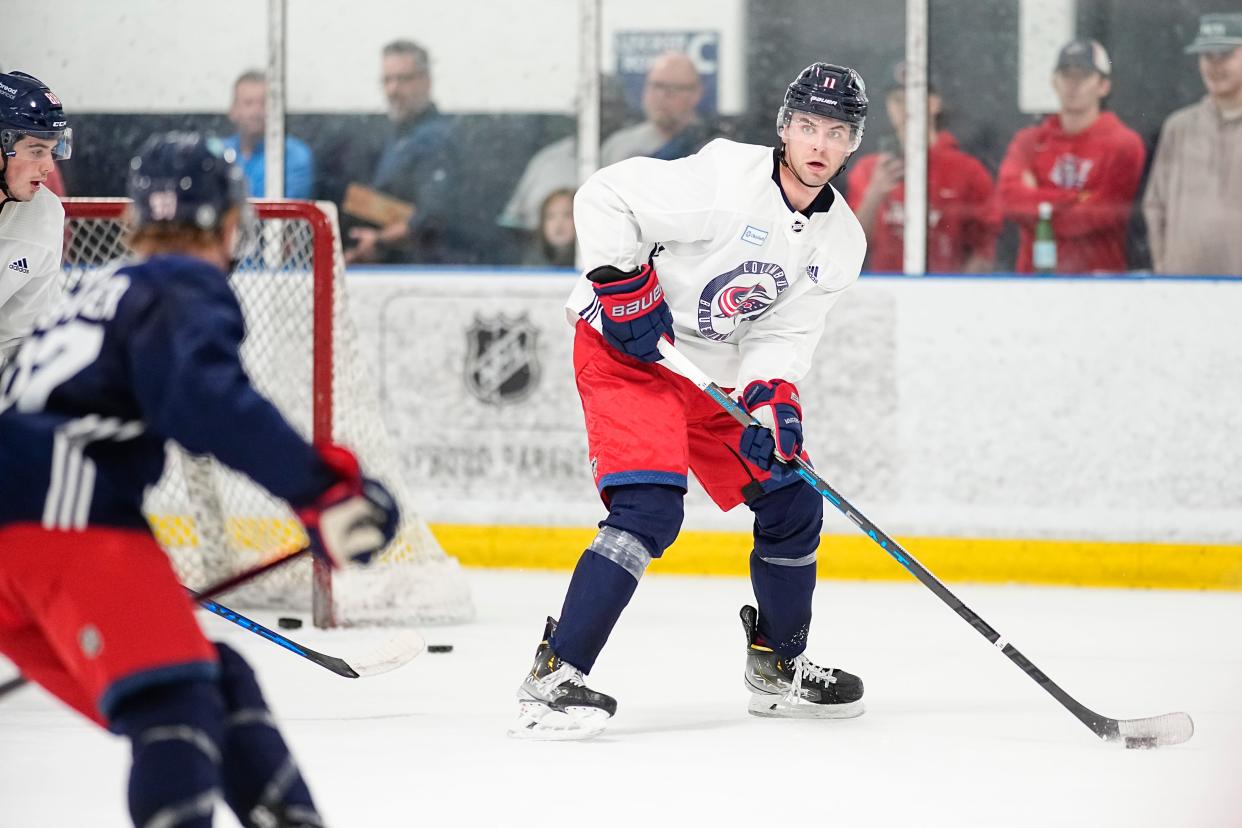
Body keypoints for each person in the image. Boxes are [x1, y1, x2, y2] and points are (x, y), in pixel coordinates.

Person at [0, 132, 400, 828]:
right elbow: (208, 400)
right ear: (227, 220)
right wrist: (323, 491)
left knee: (212, 683)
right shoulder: (182, 282)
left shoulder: (98, 291)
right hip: (58, 513)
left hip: (23, 533)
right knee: (174, 707)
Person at [511, 63, 870, 740]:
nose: (819, 143)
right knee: (649, 507)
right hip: (629, 356)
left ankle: (777, 667)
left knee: (793, 498)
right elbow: (603, 195)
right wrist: (622, 286)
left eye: (837, 131)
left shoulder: (840, 242)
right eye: (807, 126)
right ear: (784, 128)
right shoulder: (725, 183)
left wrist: (772, 407)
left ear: (853, 142)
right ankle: (556, 675)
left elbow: (784, 332)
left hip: (710, 374)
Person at [995, 39, 1145, 274]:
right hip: (1034, 282)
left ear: (1104, 85)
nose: (1073, 85)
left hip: (1099, 283)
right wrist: (1075, 198)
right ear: (1054, 82)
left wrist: (1037, 204)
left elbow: (1102, 215)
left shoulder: (1124, 143)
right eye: (1066, 75)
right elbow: (1009, 201)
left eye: (1083, 76)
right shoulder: (1029, 141)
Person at [847, 62, 997, 273]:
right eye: (897, 100)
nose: (905, 107)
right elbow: (848, 247)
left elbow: (984, 249)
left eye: (914, 98)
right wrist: (874, 194)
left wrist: (962, 294)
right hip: (885, 294)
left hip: (947, 294)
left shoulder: (967, 170)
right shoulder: (868, 170)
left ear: (935, 103)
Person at [345, 39, 462, 264]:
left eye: (403, 79)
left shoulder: (435, 139)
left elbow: (431, 218)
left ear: (426, 82)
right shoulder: (399, 136)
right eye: (387, 80)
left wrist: (378, 242)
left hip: (424, 270)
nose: (393, 90)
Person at [1143, 13, 1242, 276]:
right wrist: (1165, 268)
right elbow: (1155, 206)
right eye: (1207, 56)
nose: (1215, 65)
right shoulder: (1179, 127)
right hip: (1184, 291)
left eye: (1226, 55)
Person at [0, 71, 72, 361]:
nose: (49, 168)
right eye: (36, 150)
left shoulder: (45, 215)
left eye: (52, 151)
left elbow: (21, 337)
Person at [600, 51, 713, 166]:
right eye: (656, 86)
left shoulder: (711, 148)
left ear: (696, 93)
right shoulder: (618, 147)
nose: (662, 96)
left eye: (673, 88)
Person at [222, 69, 315, 199]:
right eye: (248, 103)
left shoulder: (294, 155)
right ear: (233, 111)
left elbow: (285, 211)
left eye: (264, 103)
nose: (256, 112)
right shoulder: (218, 153)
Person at [520, 188, 576, 267]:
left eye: (567, 215)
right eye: (550, 216)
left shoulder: (588, 260)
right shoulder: (532, 264)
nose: (559, 223)